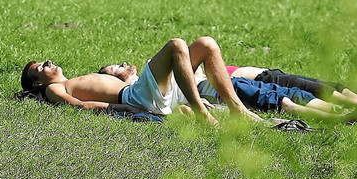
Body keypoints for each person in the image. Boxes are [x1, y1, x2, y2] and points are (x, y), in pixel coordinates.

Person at [22, 37, 264, 125]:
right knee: (176, 46)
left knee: (206, 44)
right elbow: (79, 106)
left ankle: (238, 109)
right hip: (136, 97)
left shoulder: (76, 78)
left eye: (46, 60)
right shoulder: (55, 88)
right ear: (37, 83)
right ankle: (202, 114)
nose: (48, 63)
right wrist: (125, 109)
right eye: (41, 67)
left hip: (150, 92)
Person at [97, 62, 357, 124]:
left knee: (289, 94)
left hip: (220, 84)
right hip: (217, 87)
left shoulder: (147, 79)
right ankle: (343, 117)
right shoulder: (139, 87)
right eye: (115, 68)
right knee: (282, 100)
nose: (123, 64)